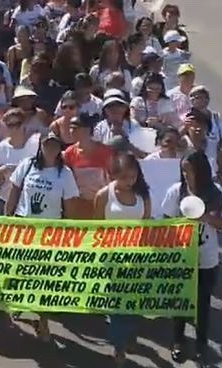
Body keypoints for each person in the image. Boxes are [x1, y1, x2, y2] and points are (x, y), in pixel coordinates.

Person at [4, 134, 79, 341]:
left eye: (55, 144)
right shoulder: (27, 165)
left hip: (50, 233)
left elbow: (71, 205)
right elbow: (15, 191)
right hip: (23, 228)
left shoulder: (64, 173)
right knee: (19, 273)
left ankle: (43, 322)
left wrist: (70, 232)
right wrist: (7, 219)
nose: (51, 148)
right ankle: (18, 306)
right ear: (41, 145)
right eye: (48, 144)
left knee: (43, 280)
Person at [162, 151, 222, 364]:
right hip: (182, 257)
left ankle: (201, 344)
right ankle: (178, 341)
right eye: (183, 170)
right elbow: (165, 221)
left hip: (206, 258)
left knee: (202, 303)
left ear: (200, 171)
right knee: (180, 301)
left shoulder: (215, 193)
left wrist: (206, 218)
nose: (185, 174)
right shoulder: (176, 191)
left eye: (189, 170)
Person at [94, 154, 150, 365]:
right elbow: (96, 228)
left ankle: (131, 335)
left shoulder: (143, 194)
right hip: (112, 260)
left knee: (134, 303)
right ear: (113, 175)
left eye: (133, 176)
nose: (129, 181)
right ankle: (119, 347)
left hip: (136, 259)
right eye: (124, 177)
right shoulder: (104, 195)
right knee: (117, 306)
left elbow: (147, 225)